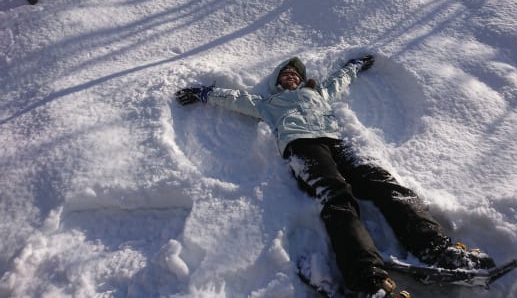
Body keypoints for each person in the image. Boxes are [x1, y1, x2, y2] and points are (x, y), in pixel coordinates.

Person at [175, 56, 495, 298]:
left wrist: (354, 65)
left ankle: (436, 248)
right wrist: (205, 93)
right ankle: (368, 281)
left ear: (302, 80)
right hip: (302, 149)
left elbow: (339, 80)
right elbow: (236, 99)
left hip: (337, 144)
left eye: (295, 74)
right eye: (285, 74)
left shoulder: (318, 93)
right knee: (337, 196)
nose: (290, 76)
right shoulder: (269, 103)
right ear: (278, 82)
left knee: (382, 183)